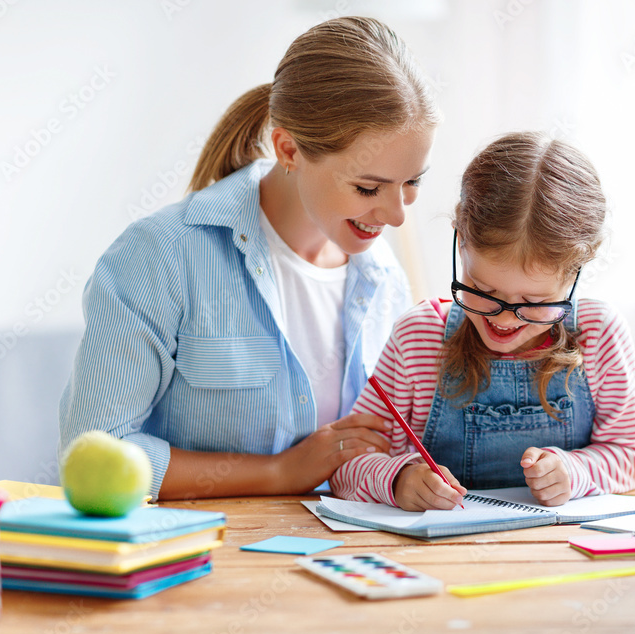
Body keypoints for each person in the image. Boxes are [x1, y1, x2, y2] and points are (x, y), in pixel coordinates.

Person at [59, 17, 439, 501]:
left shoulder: (382, 275)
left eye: (412, 182)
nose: (396, 215)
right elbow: (91, 451)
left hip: (341, 555)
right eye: (368, 187)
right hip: (199, 561)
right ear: (289, 149)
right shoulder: (160, 255)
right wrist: (279, 473)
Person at [331, 132, 635, 511]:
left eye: (533, 302)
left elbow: (632, 457)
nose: (502, 317)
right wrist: (398, 480)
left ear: (574, 275)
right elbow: (345, 463)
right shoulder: (419, 336)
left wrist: (575, 470)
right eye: (482, 289)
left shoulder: (598, 334)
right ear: (461, 244)